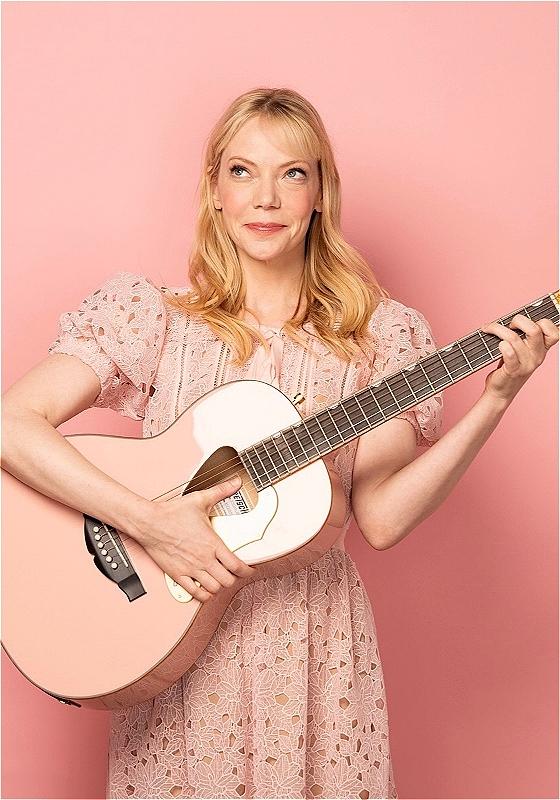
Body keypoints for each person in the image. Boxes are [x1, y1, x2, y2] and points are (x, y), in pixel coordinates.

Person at [2, 87, 557, 800]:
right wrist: (150, 523)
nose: (266, 198)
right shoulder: (155, 319)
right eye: (242, 172)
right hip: (170, 639)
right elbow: (12, 424)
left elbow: (382, 519)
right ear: (215, 190)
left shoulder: (379, 339)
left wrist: (497, 401)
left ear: (321, 190)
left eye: (292, 173)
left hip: (313, 648)